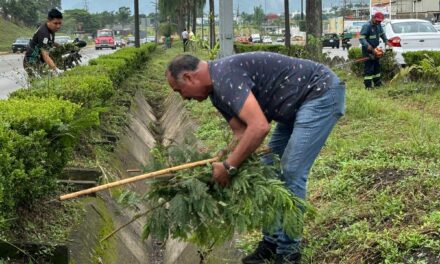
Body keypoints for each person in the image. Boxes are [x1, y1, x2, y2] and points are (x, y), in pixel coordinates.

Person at [166, 52, 345, 264]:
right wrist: (221, 157)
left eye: (180, 91)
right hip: (293, 106)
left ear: (189, 77)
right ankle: (271, 242)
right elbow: (241, 133)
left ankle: (288, 252)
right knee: (268, 168)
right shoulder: (216, 92)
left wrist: (229, 166)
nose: (184, 98)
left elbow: (259, 127)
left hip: (319, 92)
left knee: (291, 171)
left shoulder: (225, 77)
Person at [23, 8, 64, 78]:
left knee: (49, 81)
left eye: (60, 23)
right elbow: (45, 55)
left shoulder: (50, 29)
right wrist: (56, 69)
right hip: (31, 63)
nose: (58, 26)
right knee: (40, 84)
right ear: (49, 21)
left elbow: (50, 42)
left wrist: (60, 46)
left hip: (39, 61)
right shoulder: (44, 33)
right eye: (55, 23)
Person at [359, 12, 388, 89]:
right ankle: (368, 86)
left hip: (375, 48)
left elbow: (382, 34)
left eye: (380, 21)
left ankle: (377, 83)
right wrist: (367, 45)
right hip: (367, 50)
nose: (378, 22)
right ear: (373, 18)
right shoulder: (367, 26)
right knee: (369, 68)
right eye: (377, 21)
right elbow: (362, 38)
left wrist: (386, 41)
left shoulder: (379, 25)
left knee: (376, 67)